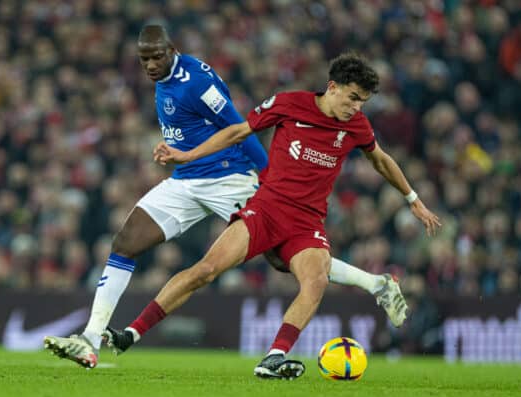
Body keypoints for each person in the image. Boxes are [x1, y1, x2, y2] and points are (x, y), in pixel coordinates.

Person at [43, 26, 408, 369]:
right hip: (186, 179)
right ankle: (91, 338)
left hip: (228, 178)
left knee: (285, 257)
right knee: (125, 242)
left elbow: (241, 128)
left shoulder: (198, 83)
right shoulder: (165, 79)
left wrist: (269, 178)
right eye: (145, 60)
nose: (151, 66)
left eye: (157, 57)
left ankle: (376, 284)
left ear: (173, 51)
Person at [103, 52, 441, 379]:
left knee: (316, 280)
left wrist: (413, 199)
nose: (356, 107)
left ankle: (274, 357)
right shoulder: (289, 103)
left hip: (307, 222)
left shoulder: (357, 126)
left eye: (362, 102)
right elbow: (237, 132)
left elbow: (380, 159)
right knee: (205, 271)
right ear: (333, 86)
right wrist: (188, 154)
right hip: (265, 210)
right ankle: (130, 334)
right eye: (352, 98)